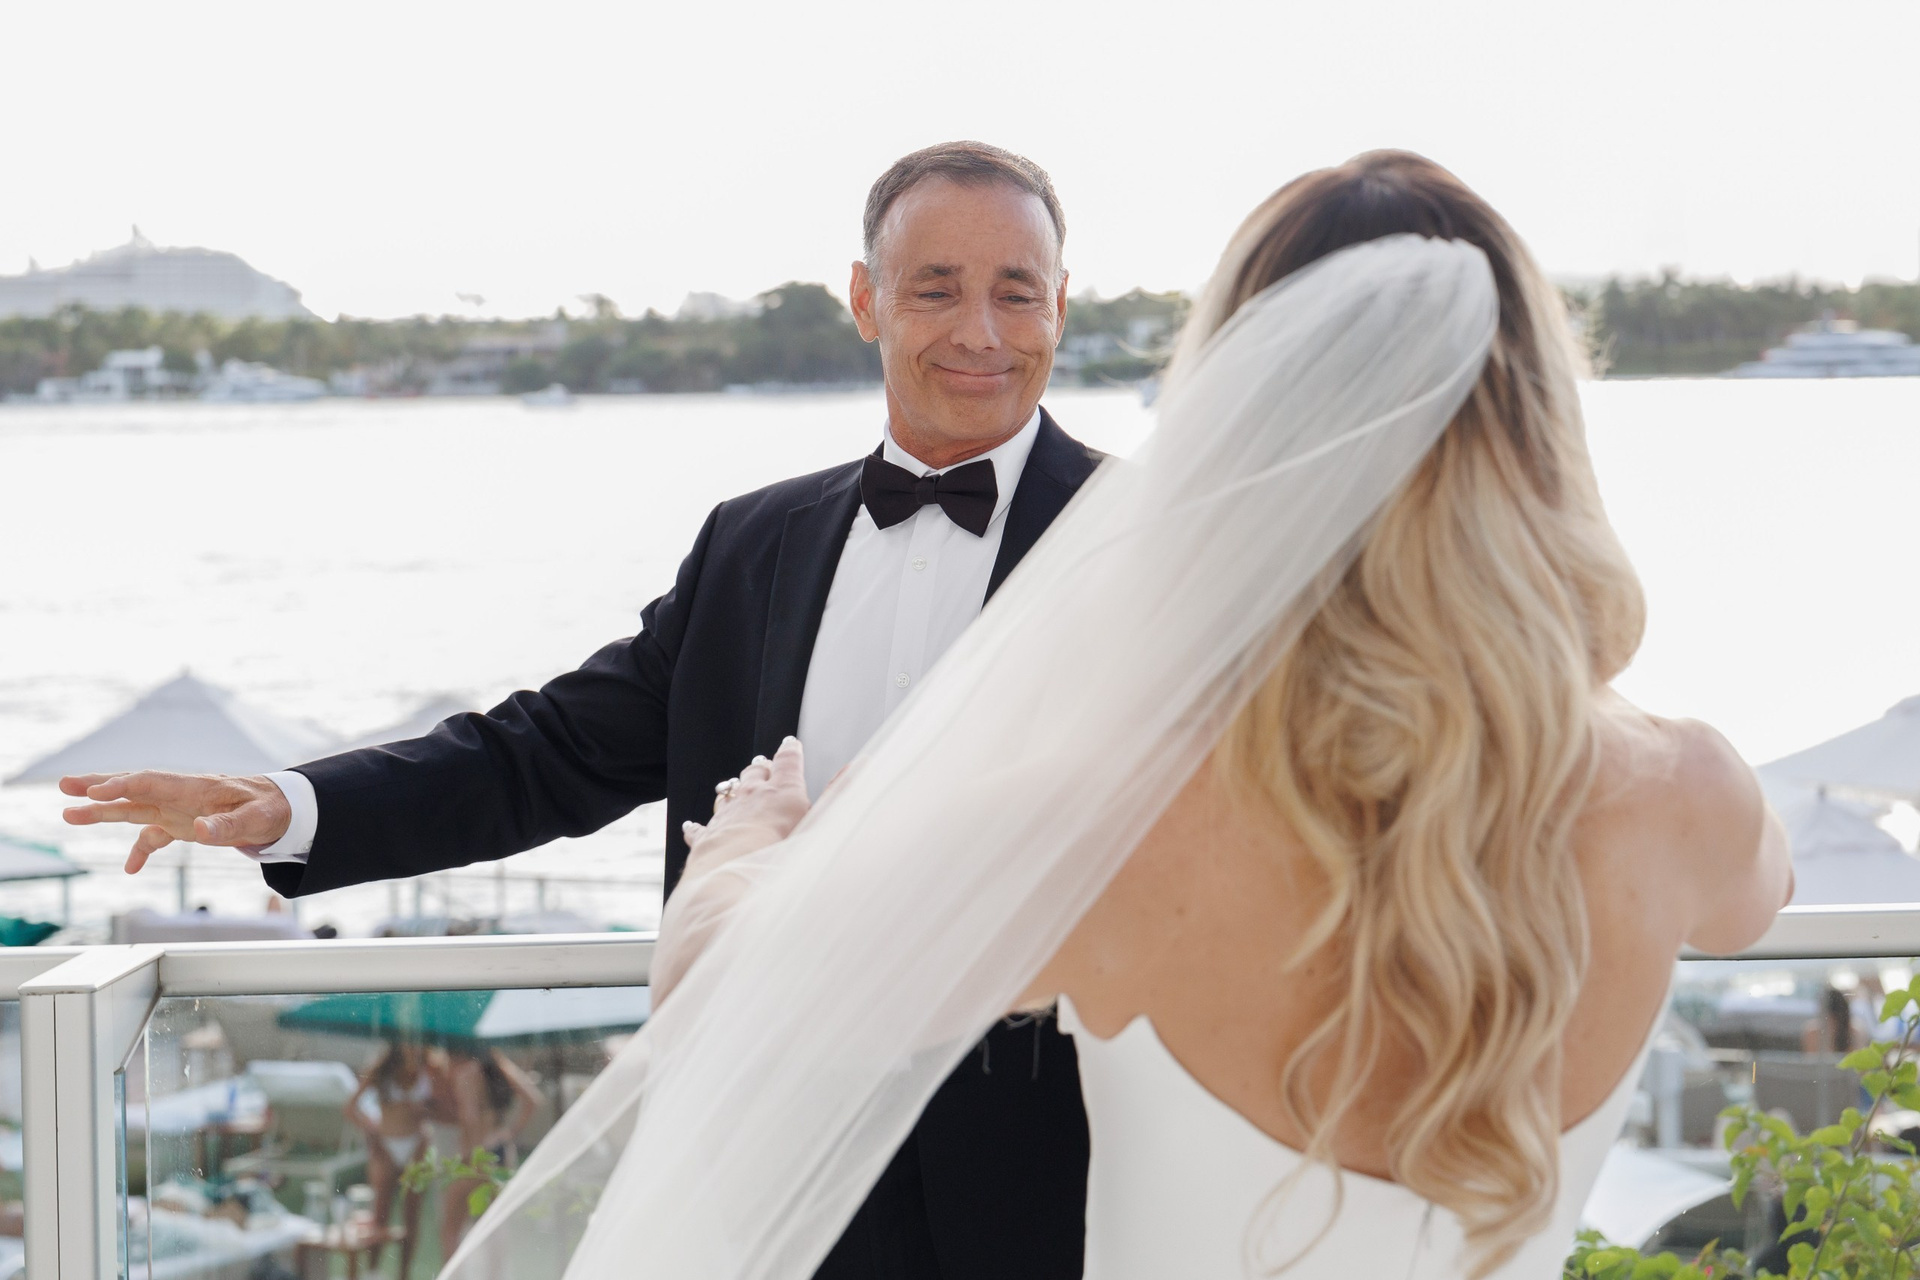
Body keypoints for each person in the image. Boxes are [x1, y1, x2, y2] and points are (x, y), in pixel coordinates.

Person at [524, 152, 1794, 1280]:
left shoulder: (1117, 817)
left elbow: (718, 993)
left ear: (1241, 412)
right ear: (1538, 414)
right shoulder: (1691, 794)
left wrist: (749, 841)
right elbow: (1756, 904)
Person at [58, 141, 1101, 1280]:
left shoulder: (1145, 539)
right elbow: (545, 752)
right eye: (936, 288)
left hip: (1065, 1161)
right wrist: (291, 805)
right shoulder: (751, 544)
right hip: (766, 1147)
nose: (981, 331)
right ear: (865, 300)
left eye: (1016, 292)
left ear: (1060, 303)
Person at [345, 1040, 449, 1278]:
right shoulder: (381, 1069)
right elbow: (350, 1107)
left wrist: (424, 1110)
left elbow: (445, 1108)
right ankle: (373, 1272)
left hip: (417, 1145)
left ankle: (404, 1274)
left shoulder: (432, 1068)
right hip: (386, 1145)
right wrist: (373, 1133)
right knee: (379, 1214)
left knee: (411, 1216)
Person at [439, 1049, 542, 1261]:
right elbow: (533, 1099)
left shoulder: (467, 1073)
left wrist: (466, 1155)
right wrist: (511, 1133)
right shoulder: (499, 1065)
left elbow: (470, 1117)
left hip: (476, 1155)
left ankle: (453, 1275)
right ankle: (495, 1275)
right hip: (501, 1150)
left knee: (451, 1228)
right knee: (494, 1226)